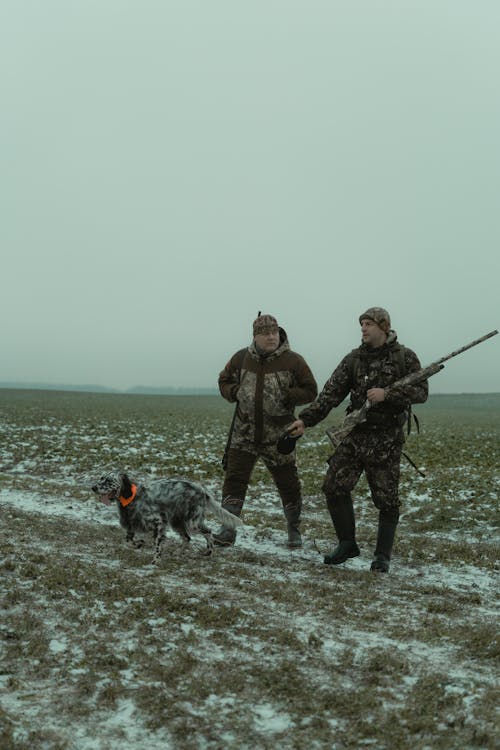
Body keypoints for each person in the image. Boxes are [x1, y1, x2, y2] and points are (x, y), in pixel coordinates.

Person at [288, 307, 428, 572]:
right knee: (333, 486)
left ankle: (382, 556)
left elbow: (421, 392)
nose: (362, 328)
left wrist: (388, 395)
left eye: (368, 324)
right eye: (361, 324)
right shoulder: (354, 359)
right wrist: (305, 420)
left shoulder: (404, 358)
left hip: (386, 439)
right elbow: (330, 394)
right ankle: (347, 544)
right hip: (355, 435)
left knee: (386, 500)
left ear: (384, 327)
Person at [214, 313, 318, 548]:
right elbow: (223, 381)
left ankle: (294, 530)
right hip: (244, 432)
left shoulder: (294, 361)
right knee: (234, 479)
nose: (271, 337)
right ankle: (228, 529)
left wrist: (290, 395)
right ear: (255, 336)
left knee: (288, 483)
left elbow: (311, 390)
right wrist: (235, 392)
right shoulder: (241, 358)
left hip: (279, 434)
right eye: (265, 333)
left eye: (274, 332)